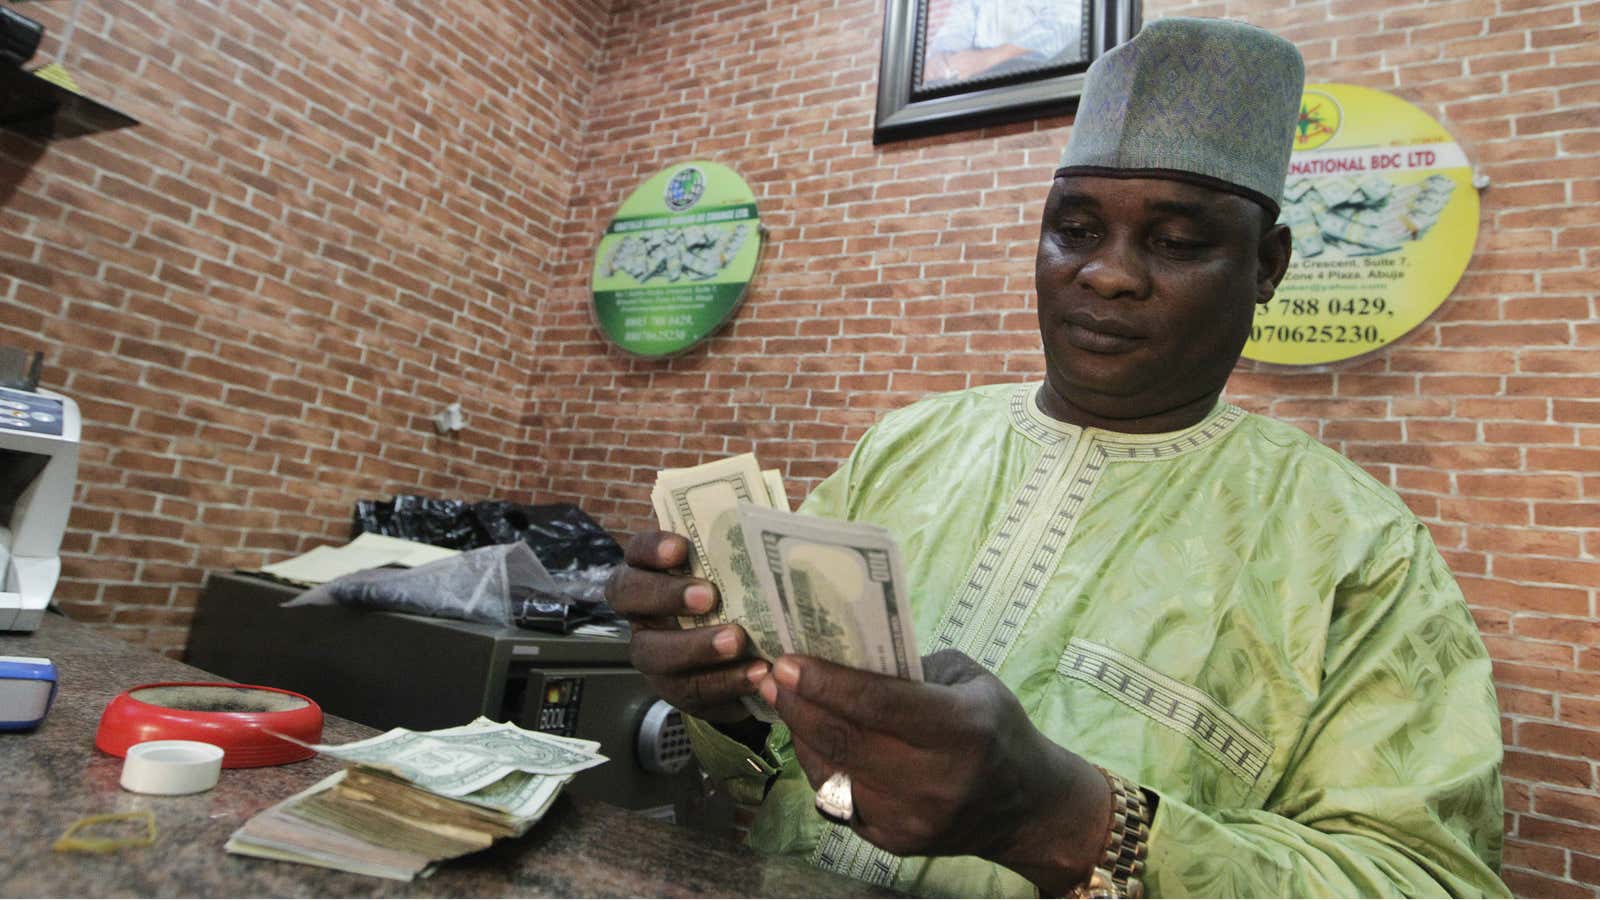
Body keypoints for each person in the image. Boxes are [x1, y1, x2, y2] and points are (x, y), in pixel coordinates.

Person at [607, 17, 1509, 899]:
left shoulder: (1359, 549)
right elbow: (780, 769)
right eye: (1075, 231)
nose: (1108, 274)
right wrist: (721, 691)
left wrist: (1064, 822)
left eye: (1179, 242)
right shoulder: (907, 446)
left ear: (1267, 266)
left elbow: (1425, 877)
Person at [924, 0, 1084, 84]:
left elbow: (1067, 22)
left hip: (1035, 77)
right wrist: (940, 56)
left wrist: (989, 58)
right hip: (972, 78)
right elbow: (957, 24)